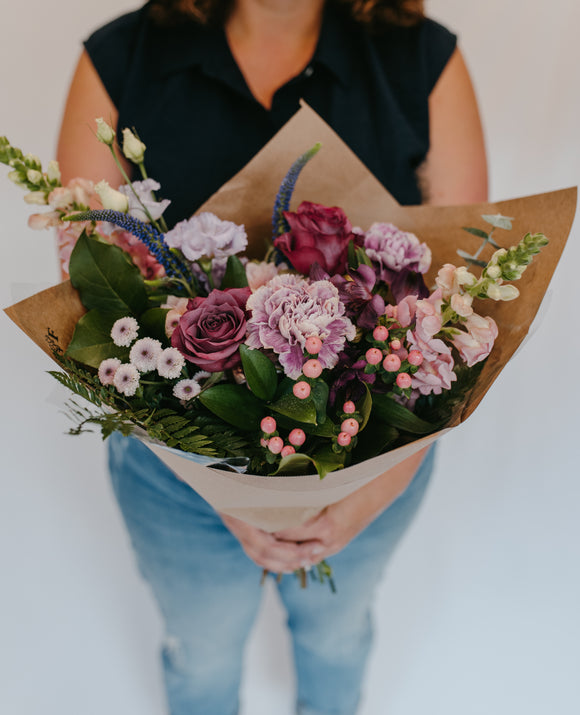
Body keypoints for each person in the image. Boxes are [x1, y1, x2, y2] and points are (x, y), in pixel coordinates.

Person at [57, 1, 487, 713]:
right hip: (176, 480)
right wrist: (225, 491)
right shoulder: (119, 59)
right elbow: (91, 295)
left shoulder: (422, 60)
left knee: (338, 639)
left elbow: (464, 306)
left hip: (374, 470)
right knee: (201, 655)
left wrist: (371, 493)